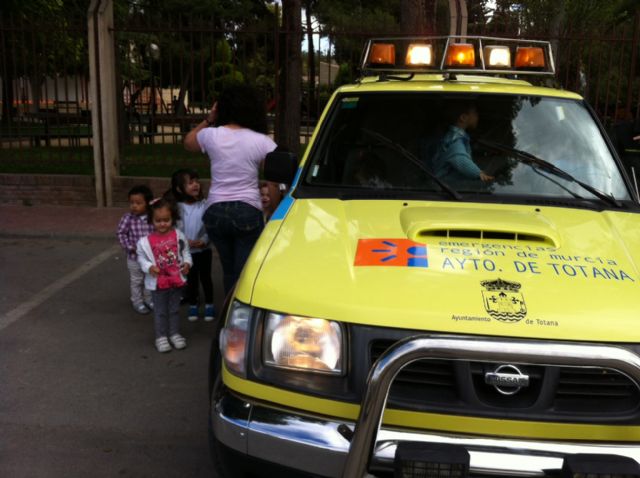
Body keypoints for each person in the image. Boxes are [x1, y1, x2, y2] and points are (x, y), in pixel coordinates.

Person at [184, 84, 277, 295]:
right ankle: (239, 317)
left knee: (228, 269)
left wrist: (209, 118)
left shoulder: (211, 135)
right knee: (245, 271)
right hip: (247, 211)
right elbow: (272, 181)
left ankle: (228, 308)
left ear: (222, 108)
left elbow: (188, 142)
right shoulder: (263, 142)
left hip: (215, 212)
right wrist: (275, 208)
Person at [137, 198, 192, 353]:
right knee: (160, 311)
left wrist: (187, 264)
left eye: (166, 220)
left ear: (172, 219)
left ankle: (174, 333)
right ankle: (161, 337)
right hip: (158, 283)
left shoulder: (178, 235)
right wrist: (149, 267)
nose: (162, 224)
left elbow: (185, 252)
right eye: (158, 220)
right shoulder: (145, 242)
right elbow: (141, 258)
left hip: (176, 280)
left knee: (174, 309)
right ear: (151, 221)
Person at [169, 168, 215, 322]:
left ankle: (209, 304)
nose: (195, 185)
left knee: (206, 278)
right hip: (187, 253)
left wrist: (205, 240)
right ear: (179, 188)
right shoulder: (176, 208)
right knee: (191, 279)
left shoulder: (205, 205)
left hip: (204, 250)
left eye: (197, 182)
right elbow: (173, 229)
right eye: (190, 183)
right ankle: (193, 304)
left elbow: (210, 225)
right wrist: (184, 241)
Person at [432, 101, 493, 184]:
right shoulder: (456, 139)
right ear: (463, 117)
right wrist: (479, 174)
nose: (478, 116)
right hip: (444, 185)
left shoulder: (454, 135)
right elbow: (459, 158)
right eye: (475, 113)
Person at [116, 185, 155, 315]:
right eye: (132, 202)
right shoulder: (128, 218)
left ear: (148, 203)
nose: (134, 206)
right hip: (134, 258)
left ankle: (149, 300)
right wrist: (128, 246)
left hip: (150, 258)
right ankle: (137, 301)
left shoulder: (153, 217)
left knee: (150, 278)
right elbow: (121, 233)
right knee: (137, 280)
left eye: (138, 203)